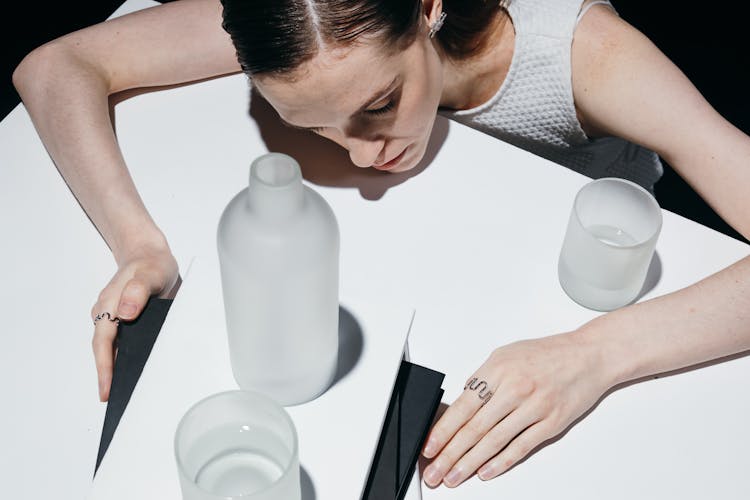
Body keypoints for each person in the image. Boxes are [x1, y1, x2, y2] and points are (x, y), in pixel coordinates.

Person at [12, 0, 750, 490]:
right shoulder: (302, 19)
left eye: (379, 105)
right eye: (315, 127)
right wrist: (137, 245)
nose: (362, 159)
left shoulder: (586, 51)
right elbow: (54, 67)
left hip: (586, 282)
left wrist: (592, 355)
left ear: (427, 6)